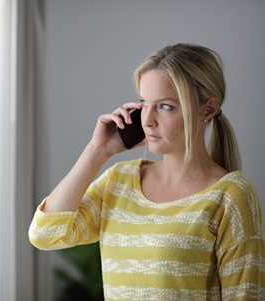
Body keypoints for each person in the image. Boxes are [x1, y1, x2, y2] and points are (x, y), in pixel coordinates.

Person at [28, 43, 265, 300]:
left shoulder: (232, 196)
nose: (147, 120)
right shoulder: (119, 181)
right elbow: (45, 235)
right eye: (143, 102)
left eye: (165, 106)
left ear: (207, 109)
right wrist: (97, 151)